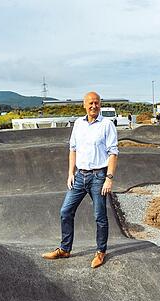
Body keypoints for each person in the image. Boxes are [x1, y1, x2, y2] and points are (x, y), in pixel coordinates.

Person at [42, 91, 119, 268]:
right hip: (79, 176)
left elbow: (113, 153)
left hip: (99, 176)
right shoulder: (78, 124)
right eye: (90, 103)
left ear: (100, 104)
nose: (94, 106)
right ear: (84, 105)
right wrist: (70, 173)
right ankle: (65, 249)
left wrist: (109, 178)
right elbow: (73, 149)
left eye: (97, 103)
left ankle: (101, 252)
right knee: (65, 211)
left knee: (100, 216)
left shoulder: (107, 125)